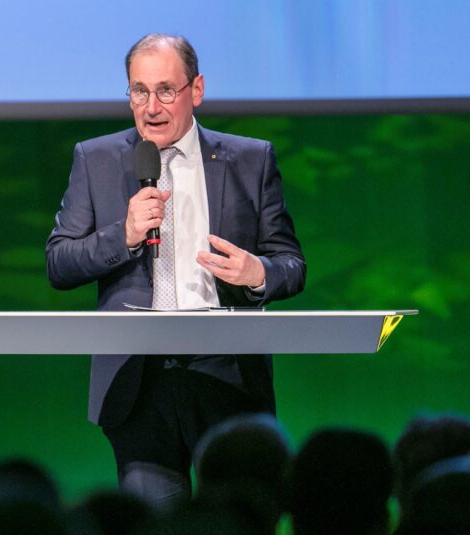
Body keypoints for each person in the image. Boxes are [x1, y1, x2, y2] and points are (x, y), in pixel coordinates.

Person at [46, 33, 305, 507]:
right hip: (138, 383)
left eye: (166, 90)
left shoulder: (250, 159)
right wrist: (120, 236)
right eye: (138, 91)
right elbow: (59, 263)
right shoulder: (96, 159)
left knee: (238, 531)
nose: (151, 106)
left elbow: (291, 265)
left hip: (226, 375)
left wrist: (256, 274)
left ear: (197, 91)